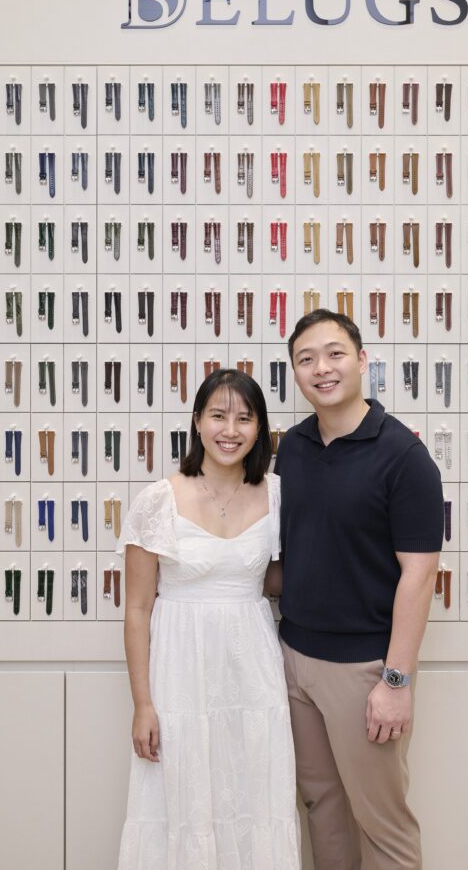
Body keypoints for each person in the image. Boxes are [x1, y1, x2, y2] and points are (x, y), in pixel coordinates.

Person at [274, 309, 444, 870]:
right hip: (294, 659)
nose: (321, 368)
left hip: (364, 670)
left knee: (382, 824)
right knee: (322, 809)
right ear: (295, 373)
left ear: (362, 360)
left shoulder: (404, 457)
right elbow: (295, 551)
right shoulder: (293, 448)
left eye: (335, 354)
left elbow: (419, 575)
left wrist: (396, 681)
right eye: (306, 359)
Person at [115, 368, 301, 870]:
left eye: (244, 418)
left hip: (253, 672)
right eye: (218, 415)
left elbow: (284, 578)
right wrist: (142, 704)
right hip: (180, 673)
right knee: (182, 800)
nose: (230, 430)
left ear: (260, 429)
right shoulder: (158, 499)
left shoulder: (278, 495)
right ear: (197, 422)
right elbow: (137, 609)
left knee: (255, 794)